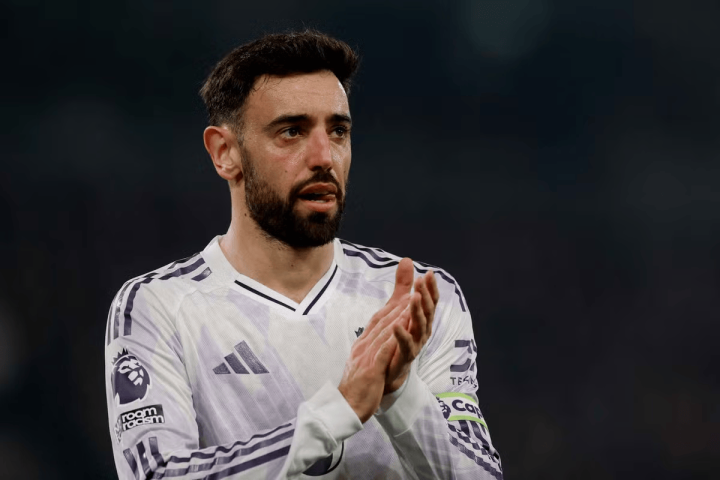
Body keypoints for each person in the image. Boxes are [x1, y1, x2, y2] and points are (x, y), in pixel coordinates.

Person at [104, 30, 502, 479]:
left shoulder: (419, 301)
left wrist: (400, 392)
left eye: (338, 131)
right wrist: (335, 414)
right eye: (292, 131)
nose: (323, 157)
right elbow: (158, 474)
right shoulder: (158, 307)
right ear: (225, 153)